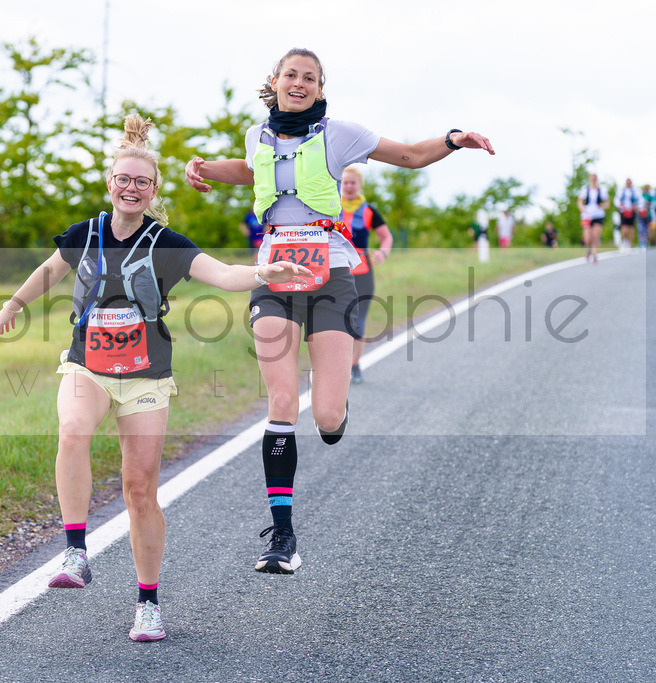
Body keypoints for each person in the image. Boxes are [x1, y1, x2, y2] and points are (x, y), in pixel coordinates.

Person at [0, 114, 310, 641]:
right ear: (110, 183)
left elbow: (223, 274)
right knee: (72, 431)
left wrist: (263, 273)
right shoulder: (84, 234)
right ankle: (75, 551)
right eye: (124, 179)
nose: (132, 188)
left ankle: (148, 602)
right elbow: (50, 270)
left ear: (153, 189)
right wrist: (14, 304)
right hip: (87, 364)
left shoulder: (166, 243)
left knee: (140, 489)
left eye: (142, 181)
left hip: (145, 376)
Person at [185, 47, 494, 574]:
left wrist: (452, 140)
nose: (299, 83)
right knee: (281, 399)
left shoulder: (339, 134)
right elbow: (252, 169)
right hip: (275, 272)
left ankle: (337, 410)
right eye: (291, 75)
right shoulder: (257, 136)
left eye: (309, 78)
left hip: (330, 274)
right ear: (276, 82)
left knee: (325, 417)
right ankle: (282, 536)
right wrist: (205, 168)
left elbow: (410, 156)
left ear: (320, 89)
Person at [338, 164, 392, 384]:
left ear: (360, 185)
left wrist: (383, 252)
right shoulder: (329, 206)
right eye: (345, 182)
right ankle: (334, 367)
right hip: (335, 268)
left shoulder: (369, 210)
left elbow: (386, 237)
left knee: (357, 321)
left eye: (353, 182)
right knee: (333, 320)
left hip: (362, 271)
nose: (349, 186)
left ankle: (355, 365)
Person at [577, 173, 608, 264]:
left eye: (595, 178)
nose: (593, 179)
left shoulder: (601, 190)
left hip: (598, 215)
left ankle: (595, 255)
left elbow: (607, 203)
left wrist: (603, 206)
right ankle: (589, 251)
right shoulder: (585, 189)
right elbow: (580, 201)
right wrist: (582, 209)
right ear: (589, 179)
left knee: (595, 236)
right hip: (587, 216)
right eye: (592, 178)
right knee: (587, 238)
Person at [615, 178, 641, 251]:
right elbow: (616, 200)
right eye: (627, 182)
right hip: (624, 212)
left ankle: (629, 243)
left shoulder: (635, 191)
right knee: (624, 228)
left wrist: (636, 206)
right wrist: (621, 205)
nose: (628, 184)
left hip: (632, 212)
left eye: (629, 182)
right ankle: (623, 242)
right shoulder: (621, 191)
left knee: (631, 229)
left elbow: (640, 200)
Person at [639, 183, 653, 250]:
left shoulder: (649, 196)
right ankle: (640, 243)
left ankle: (647, 243)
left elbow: (651, 204)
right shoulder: (640, 196)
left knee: (646, 230)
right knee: (641, 229)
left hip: (648, 215)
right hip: (641, 215)